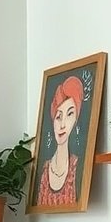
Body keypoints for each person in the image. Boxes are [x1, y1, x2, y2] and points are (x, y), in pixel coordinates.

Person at [37, 75, 84, 206]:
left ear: (75, 121)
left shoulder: (78, 167)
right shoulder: (43, 170)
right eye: (58, 116)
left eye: (69, 114)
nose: (62, 124)